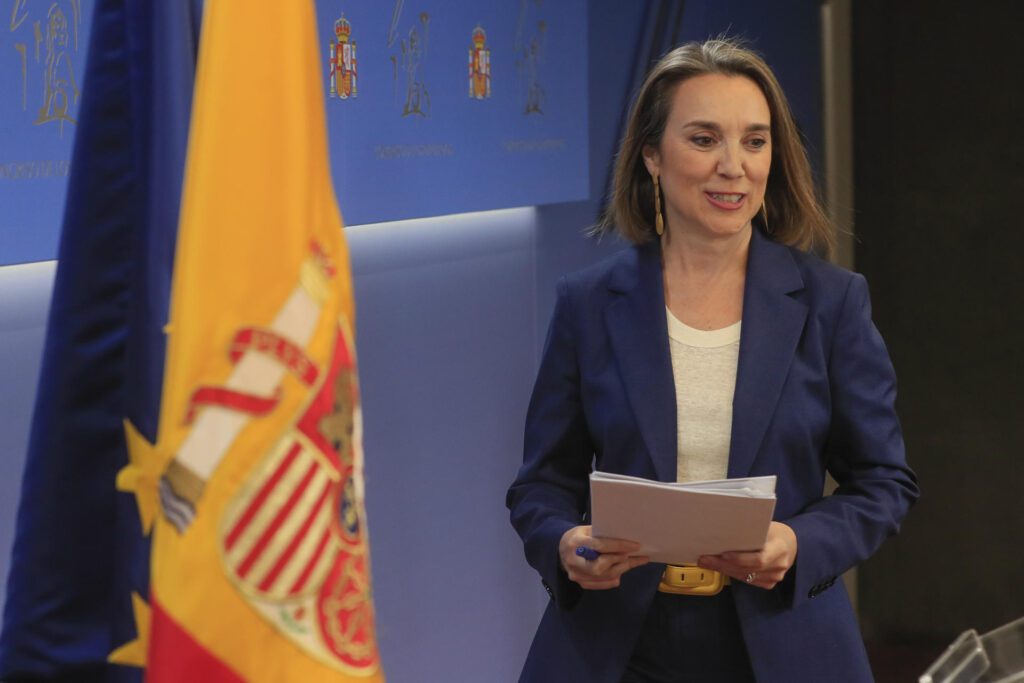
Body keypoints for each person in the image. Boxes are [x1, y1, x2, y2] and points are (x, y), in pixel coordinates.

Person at [506, 38, 918, 683]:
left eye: (755, 142)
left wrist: (800, 543)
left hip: (783, 646)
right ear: (651, 156)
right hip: (617, 648)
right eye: (704, 139)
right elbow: (540, 485)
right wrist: (564, 545)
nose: (734, 166)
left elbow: (884, 484)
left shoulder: (833, 301)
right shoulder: (588, 303)